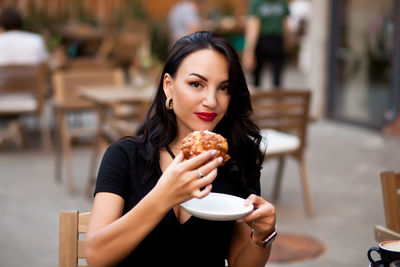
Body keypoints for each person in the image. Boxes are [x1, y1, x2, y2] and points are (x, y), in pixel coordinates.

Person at [85, 31, 276, 267]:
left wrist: (261, 237)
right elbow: (95, 257)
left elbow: (239, 262)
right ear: (169, 87)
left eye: (224, 87)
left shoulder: (238, 161)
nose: (211, 101)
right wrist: (163, 196)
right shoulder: (125, 156)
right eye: (197, 84)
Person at [243, 0, 291, 88]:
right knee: (277, 80)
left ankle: (257, 100)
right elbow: (286, 26)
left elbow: (253, 26)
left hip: (263, 41)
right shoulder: (282, 3)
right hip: (276, 41)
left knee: (257, 80)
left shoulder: (257, 2)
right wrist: (287, 44)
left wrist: (249, 51)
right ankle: (277, 99)